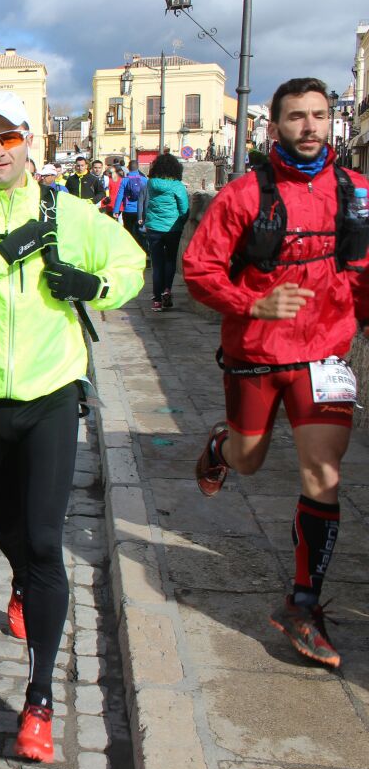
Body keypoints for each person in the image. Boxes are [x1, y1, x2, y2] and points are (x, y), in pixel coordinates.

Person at [0, 90, 145, 764]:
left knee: (44, 542)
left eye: (8, 138)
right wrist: (0, 255)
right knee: (6, 525)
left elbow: (130, 265)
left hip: (49, 393)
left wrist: (91, 287)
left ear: (28, 143)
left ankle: (38, 699)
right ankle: (18, 576)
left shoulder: (72, 214)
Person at [184, 77, 369, 670]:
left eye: (319, 115)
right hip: (257, 352)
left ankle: (302, 603)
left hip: (325, 354)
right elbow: (198, 270)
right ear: (275, 127)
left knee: (324, 471)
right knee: (249, 460)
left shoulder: (358, 193)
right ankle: (220, 445)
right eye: (296, 117)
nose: (310, 127)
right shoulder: (243, 196)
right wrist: (253, 304)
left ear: (332, 122)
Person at [139, 154, 189, 311]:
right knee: (170, 260)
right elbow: (184, 209)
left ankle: (156, 300)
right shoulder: (177, 186)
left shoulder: (151, 183)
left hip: (154, 228)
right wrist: (181, 221)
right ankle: (167, 289)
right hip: (173, 229)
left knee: (157, 264)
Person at [115, 160, 147, 235]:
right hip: (140, 211)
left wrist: (116, 210)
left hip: (127, 210)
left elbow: (120, 195)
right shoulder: (144, 180)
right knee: (140, 233)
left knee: (128, 233)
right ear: (138, 167)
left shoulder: (124, 180)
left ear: (128, 168)